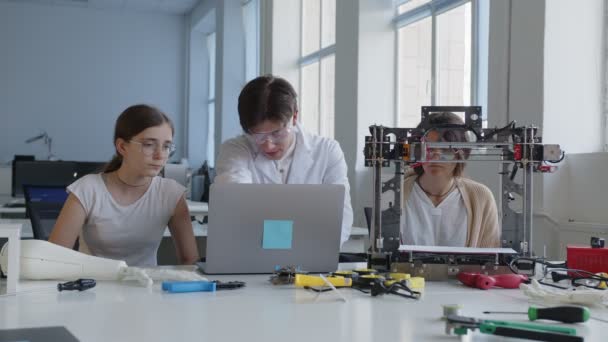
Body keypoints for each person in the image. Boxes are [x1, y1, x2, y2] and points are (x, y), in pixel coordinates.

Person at [49, 104, 200, 266]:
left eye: (166, 146)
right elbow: (53, 259)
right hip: (94, 288)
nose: (160, 155)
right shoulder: (87, 189)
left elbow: (189, 261)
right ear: (122, 146)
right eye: (149, 144)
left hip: (147, 289)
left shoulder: (171, 193)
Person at [215, 75, 353, 245]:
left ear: (294, 117)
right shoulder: (235, 150)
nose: (268, 145)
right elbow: (237, 208)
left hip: (311, 257)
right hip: (252, 256)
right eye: (258, 135)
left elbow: (341, 220)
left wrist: (291, 243)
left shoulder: (327, 151)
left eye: (277, 133)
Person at [401, 112, 500, 247]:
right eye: (428, 148)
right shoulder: (396, 194)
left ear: (462, 153)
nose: (435, 157)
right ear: (416, 151)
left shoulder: (481, 197)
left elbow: (489, 260)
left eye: (445, 149)